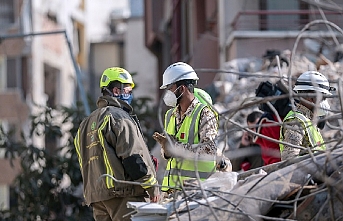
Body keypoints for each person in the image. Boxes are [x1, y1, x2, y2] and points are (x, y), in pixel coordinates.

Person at [74, 67, 159, 221]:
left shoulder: (85, 124)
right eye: (127, 90)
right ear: (116, 90)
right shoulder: (119, 117)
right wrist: (152, 187)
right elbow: (132, 157)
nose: (130, 95)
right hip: (124, 196)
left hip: (97, 199)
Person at [153, 62, 229, 193]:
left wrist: (175, 148)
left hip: (196, 192)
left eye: (170, 88)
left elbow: (209, 150)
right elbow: (167, 153)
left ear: (181, 89)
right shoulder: (170, 115)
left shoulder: (204, 114)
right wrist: (166, 151)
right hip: (170, 191)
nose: (167, 93)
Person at [279, 71, 335, 161]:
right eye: (323, 98)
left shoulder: (309, 120)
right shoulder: (296, 121)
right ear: (310, 97)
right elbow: (289, 162)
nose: (325, 103)